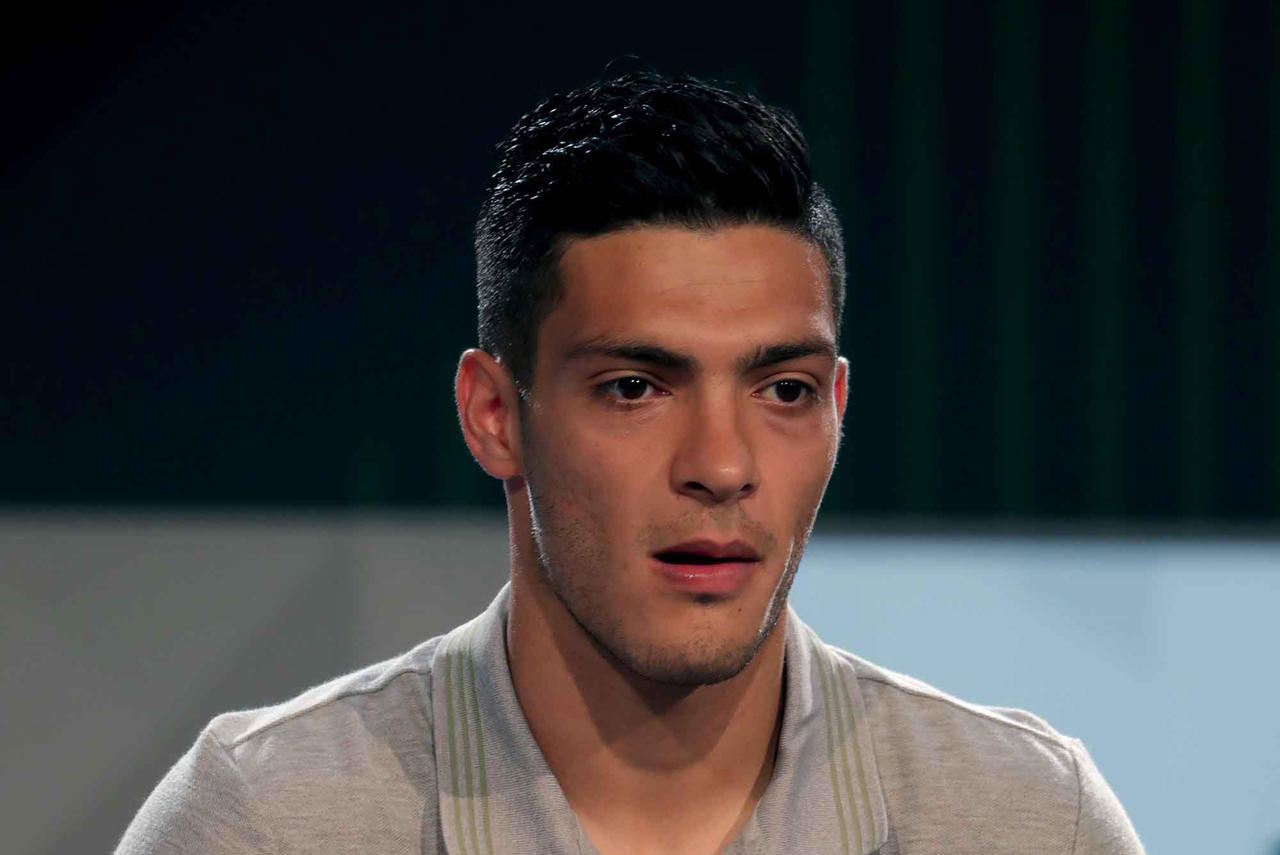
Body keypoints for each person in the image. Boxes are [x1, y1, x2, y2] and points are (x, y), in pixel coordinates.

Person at [115, 72, 1145, 855]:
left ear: (837, 410)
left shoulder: (1027, 821)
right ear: (493, 414)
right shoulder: (265, 823)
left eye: (782, 390)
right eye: (635, 387)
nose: (721, 466)